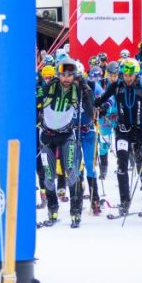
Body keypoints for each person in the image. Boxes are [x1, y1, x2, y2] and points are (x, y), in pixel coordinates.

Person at [95, 59, 142, 218]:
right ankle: (124, 202)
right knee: (122, 164)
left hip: (140, 131)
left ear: (136, 74)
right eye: (125, 75)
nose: (127, 78)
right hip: (122, 131)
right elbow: (100, 100)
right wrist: (99, 108)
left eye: (130, 75)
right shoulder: (116, 86)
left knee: (141, 164)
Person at [39, 60, 95, 227]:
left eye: (70, 75)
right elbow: (34, 101)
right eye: (63, 75)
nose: (66, 78)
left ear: (74, 76)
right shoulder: (50, 87)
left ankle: (76, 211)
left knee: (71, 172)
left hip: (66, 135)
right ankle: (52, 210)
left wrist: (85, 89)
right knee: (49, 176)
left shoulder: (77, 90)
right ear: (58, 75)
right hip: (47, 136)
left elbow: (90, 111)